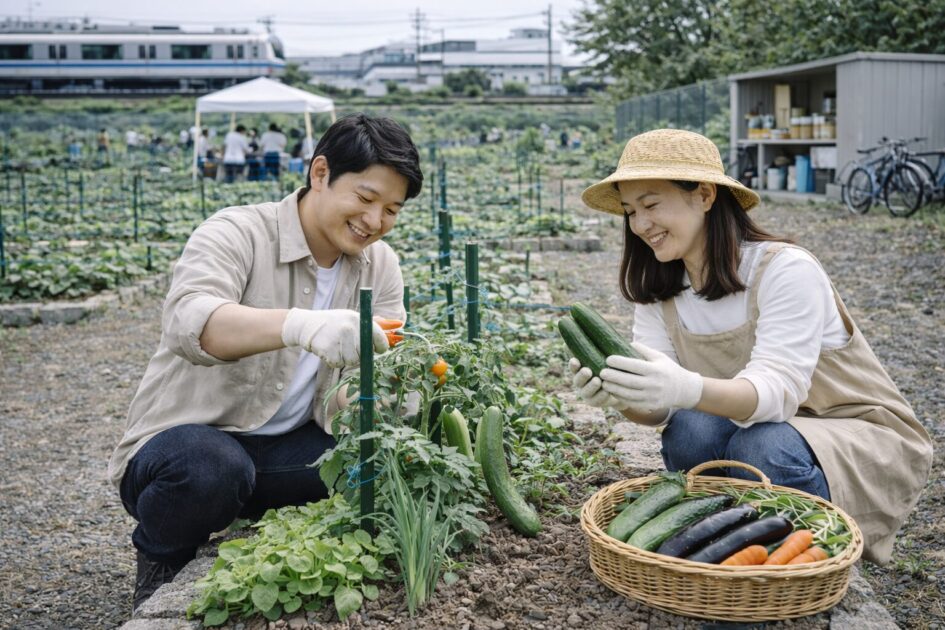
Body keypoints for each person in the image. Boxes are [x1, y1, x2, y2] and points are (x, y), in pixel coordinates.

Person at [571, 128, 932, 565]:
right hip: (763, 426)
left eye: (650, 204)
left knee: (763, 445)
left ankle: (806, 551)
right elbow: (660, 408)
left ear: (704, 195)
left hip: (851, 429)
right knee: (689, 428)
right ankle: (730, 553)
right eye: (630, 211)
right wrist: (620, 395)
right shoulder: (662, 290)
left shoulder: (784, 270)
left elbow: (777, 393)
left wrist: (685, 389)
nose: (640, 224)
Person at [108, 113, 423, 611]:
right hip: (186, 446)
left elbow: (352, 390)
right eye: (365, 199)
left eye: (391, 210)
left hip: (286, 449)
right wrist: (298, 325)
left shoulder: (380, 266)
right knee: (210, 468)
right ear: (320, 173)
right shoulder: (237, 232)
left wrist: (383, 397)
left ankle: (258, 528)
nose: (374, 222)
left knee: (375, 460)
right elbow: (193, 323)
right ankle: (162, 559)